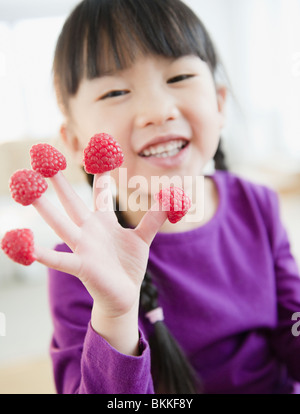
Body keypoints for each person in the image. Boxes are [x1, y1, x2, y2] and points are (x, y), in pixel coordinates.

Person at [33, 0, 300, 394]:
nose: (157, 111)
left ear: (220, 103)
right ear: (74, 141)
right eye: (116, 91)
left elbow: (291, 320)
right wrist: (115, 314)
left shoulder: (256, 203)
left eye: (178, 77)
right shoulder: (78, 266)